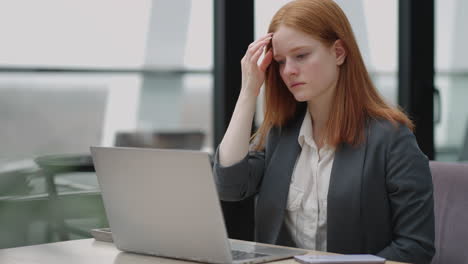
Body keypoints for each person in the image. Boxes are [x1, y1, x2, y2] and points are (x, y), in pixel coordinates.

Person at [213, 0, 435, 264]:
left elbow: (416, 248)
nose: (288, 71)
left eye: (301, 55)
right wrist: (248, 92)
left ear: (339, 52)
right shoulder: (280, 135)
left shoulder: (391, 139)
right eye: (281, 61)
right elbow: (229, 185)